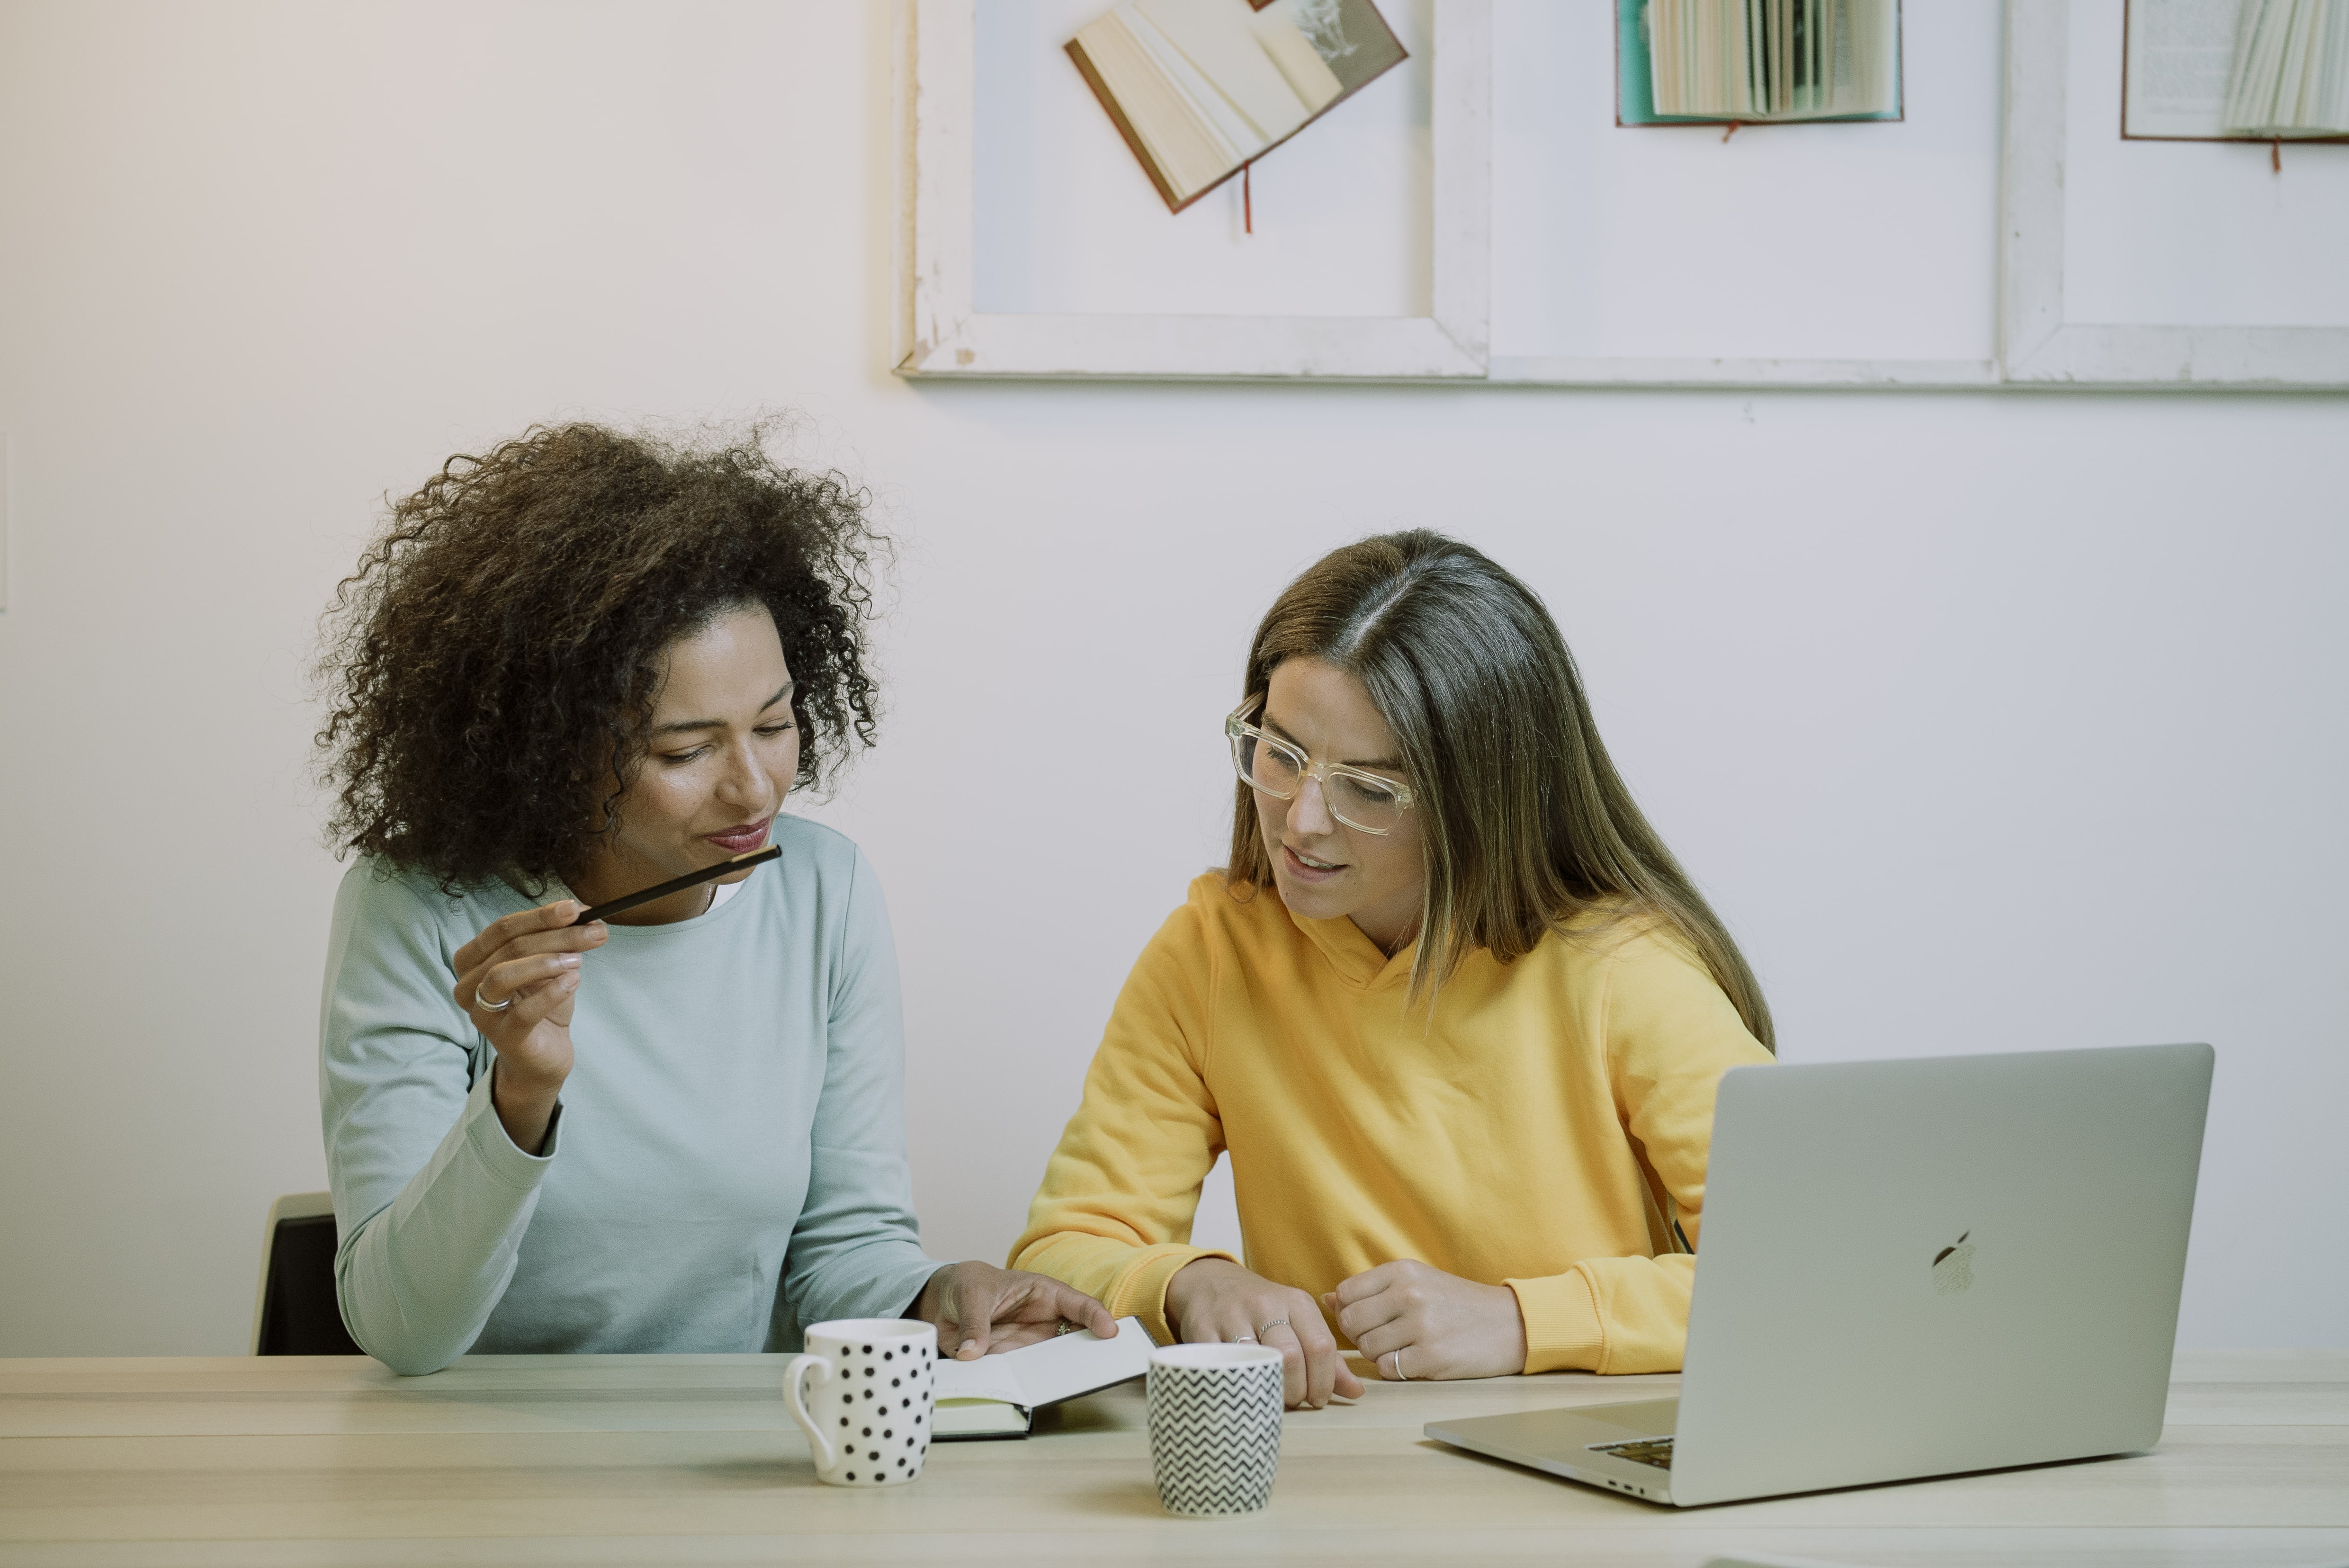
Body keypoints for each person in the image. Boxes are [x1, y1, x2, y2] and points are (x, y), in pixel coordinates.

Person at [314, 422, 1111, 1376]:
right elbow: (402, 1331)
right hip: (471, 1471)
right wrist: (518, 1093)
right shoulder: (418, 907)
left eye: (774, 725)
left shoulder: (823, 888)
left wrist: (939, 1296)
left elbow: (845, 1255)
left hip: (743, 1466)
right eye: (684, 751)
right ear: (551, 752)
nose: (754, 788)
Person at [1012, 530, 1774, 1409]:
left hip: (1579, 1465)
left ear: (1481, 802)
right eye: (1282, 753)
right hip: (1334, 1472)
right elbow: (1062, 1252)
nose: (1301, 822)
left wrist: (1521, 1322)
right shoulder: (1210, 953)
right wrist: (1187, 1284)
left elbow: (1802, 1266)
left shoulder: (1623, 969)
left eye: (1370, 791)